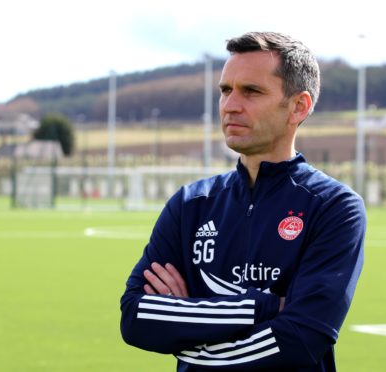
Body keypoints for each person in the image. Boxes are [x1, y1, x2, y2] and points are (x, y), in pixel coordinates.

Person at [120, 31, 366, 371]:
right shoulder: (191, 204)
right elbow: (136, 318)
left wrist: (189, 322)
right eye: (225, 90)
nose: (230, 105)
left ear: (299, 106)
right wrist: (263, 307)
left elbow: (301, 338)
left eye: (251, 91)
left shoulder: (333, 207)